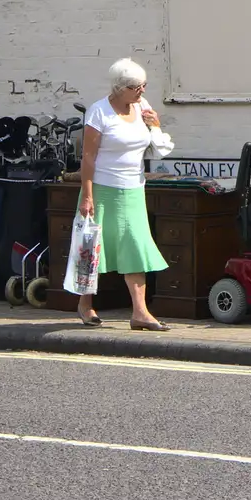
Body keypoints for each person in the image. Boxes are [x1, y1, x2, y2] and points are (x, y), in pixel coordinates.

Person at [76, 58, 170, 330]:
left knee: (135, 247)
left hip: (133, 190)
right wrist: (87, 196)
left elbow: (159, 150)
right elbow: (88, 157)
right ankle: (85, 304)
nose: (141, 91)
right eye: (134, 87)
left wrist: (155, 126)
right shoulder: (99, 112)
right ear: (118, 88)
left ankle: (140, 312)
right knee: (91, 250)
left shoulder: (142, 107)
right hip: (102, 190)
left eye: (143, 85)